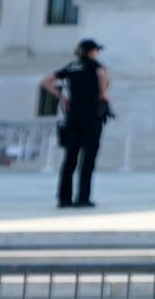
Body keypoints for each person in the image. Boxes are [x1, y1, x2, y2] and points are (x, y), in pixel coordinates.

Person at [40, 39, 109, 209]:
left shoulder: (71, 66)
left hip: (72, 118)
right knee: (88, 160)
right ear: (91, 52)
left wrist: (61, 97)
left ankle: (64, 198)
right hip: (91, 117)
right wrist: (103, 93)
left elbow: (46, 81)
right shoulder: (95, 66)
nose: (97, 53)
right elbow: (102, 75)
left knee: (70, 159)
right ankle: (83, 197)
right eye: (96, 50)